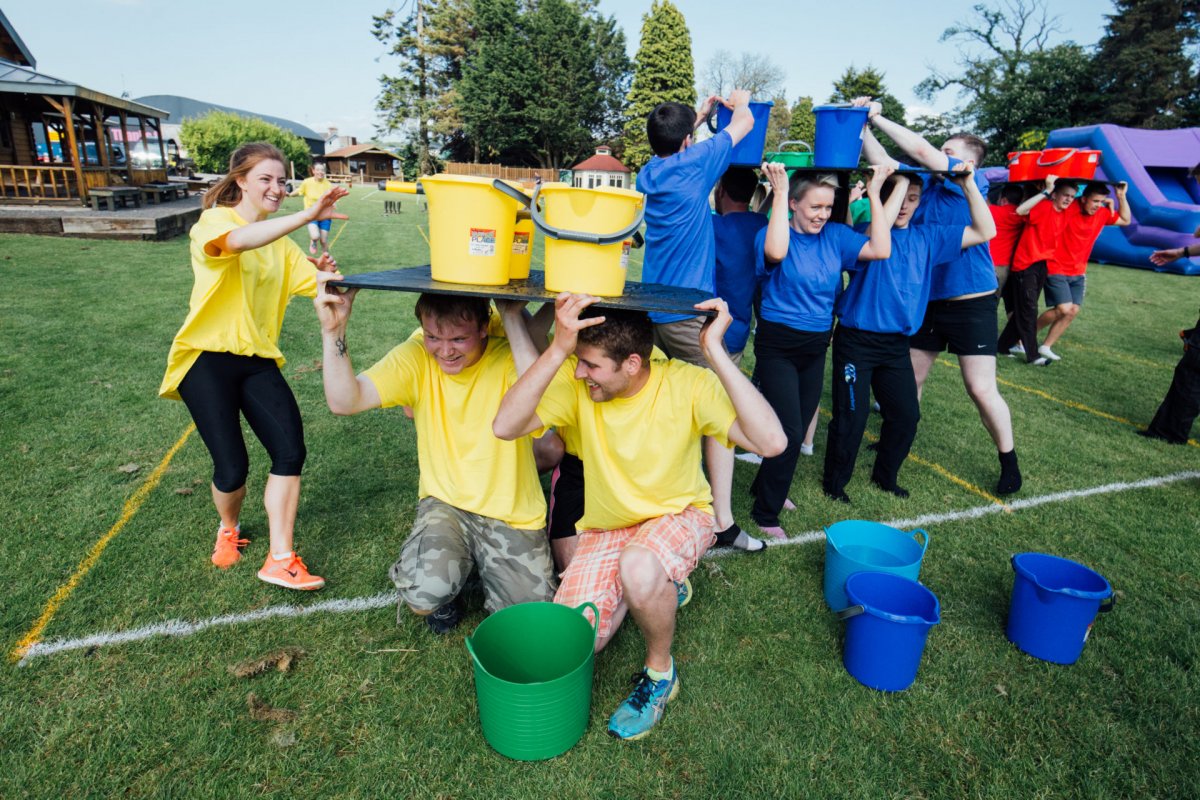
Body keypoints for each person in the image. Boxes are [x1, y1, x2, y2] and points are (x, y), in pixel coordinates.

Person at [492, 294, 786, 741]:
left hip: (681, 513)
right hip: (611, 525)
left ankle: (660, 674)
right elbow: (505, 425)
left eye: (590, 364)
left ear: (632, 363)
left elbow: (772, 442)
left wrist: (715, 353)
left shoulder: (687, 384)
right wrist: (557, 349)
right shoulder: (577, 386)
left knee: (639, 565)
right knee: (580, 641)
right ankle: (655, 584)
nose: (579, 373)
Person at [158, 141, 347, 590]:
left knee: (289, 450)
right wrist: (305, 217)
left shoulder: (279, 247)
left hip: (257, 360)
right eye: (265, 179)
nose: (277, 189)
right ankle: (229, 528)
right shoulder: (214, 223)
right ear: (239, 181)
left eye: (282, 181)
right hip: (206, 359)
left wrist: (325, 273)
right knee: (232, 468)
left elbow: (320, 284)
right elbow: (237, 243)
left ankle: (280, 558)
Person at [314, 288, 556, 633]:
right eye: (433, 337)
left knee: (530, 625)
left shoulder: (509, 359)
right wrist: (333, 331)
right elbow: (343, 401)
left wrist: (514, 317)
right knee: (424, 592)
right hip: (446, 504)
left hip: (512, 512)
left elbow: (542, 398)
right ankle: (447, 587)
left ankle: (473, 568)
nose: (444, 350)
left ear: (486, 326)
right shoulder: (416, 356)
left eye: (459, 338)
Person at [859, 99, 1022, 495]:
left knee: (979, 387)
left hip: (972, 300)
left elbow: (919, 150)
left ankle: (1008, 460)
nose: (939, 157)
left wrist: (879, 117)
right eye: (942, 151)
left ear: (969, 164)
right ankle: (897, 438)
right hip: (928, 300)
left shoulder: (973, 185)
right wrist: (859, 126)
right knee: (910, 378)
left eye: (949, 153)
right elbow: (887, 160)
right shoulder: (927, 184)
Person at [823, 166, 997, 502]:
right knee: (852, 418)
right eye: (897, 197)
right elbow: (880, 236)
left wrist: (969, 185)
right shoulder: (862, 234)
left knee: (905, 416)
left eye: (912, 198)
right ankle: (835, 483)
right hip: (857, 341)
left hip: (896, 345)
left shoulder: (928, 237)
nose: (904, 205)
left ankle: (885, 476)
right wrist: (899, 182)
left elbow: (984, 229)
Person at [638, 89, 755, 552]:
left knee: (665, 406)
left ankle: (659, 493)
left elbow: (677, 142)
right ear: (689, 140)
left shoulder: (653, 171)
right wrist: (739, 101)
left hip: (652, 311)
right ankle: (723, 525)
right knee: (723, 410)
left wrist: (699, 117)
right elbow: (744, 124)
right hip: (688, 316)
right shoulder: (696, 163)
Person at [752, 161, 892, 520]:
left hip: (816, 345)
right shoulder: (773, 233)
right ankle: (765, 514)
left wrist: (874, 194)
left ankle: (769, 486)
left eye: (829, 207)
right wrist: (780, 192)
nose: (823, 215)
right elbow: (777, 254)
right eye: (815, 206)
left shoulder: (835, 236)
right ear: (795, 204)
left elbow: (880, 249)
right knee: (789, 428)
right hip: (778, 344)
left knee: (794, 429)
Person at [1035, 181, 1131, 361]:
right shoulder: (1069, 209)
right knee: (1063, 308)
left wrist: (1120, 196)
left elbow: (1126, 220)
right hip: (1055, 266)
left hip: (1078, 271)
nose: (1098, 205)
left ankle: (1046, 346)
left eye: (1101, 201)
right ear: (1083, 198)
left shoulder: (1102, 213)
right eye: (1095, 201)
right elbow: (1053, 203)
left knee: (1072, 311)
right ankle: (1020, 339)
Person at [998, 174, 1076, 366]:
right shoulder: (1044, 206)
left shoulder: (1065, 212)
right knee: (1029, 311)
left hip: (1042, 265)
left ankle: (1001, 346)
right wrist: (1046, 191)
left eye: (1072, 197)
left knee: (1023, 311)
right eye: (1065, 195)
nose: (1068, 199)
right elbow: (1021, 210)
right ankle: (1033, 355)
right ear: (1055, 195)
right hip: (1025, 265)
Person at [989, 183, 1027, 299]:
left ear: (1004, 199)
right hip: (1004, 266)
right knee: (994, 299)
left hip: (987, 261)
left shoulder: (993, 211)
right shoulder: (1022, 216)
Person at [290, 163, 334, 256]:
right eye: (318, 170)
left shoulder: (328, 184)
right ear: (313, 171)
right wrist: (289, 194)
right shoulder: (307, 182)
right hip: (311, 214)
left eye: (322, 170)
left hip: (325, 215)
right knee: (315, 236)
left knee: (323, 240)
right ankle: (313, 241)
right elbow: (299, 191)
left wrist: (333, 203)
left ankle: (326, 259)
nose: (320, 172)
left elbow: (332, 198)